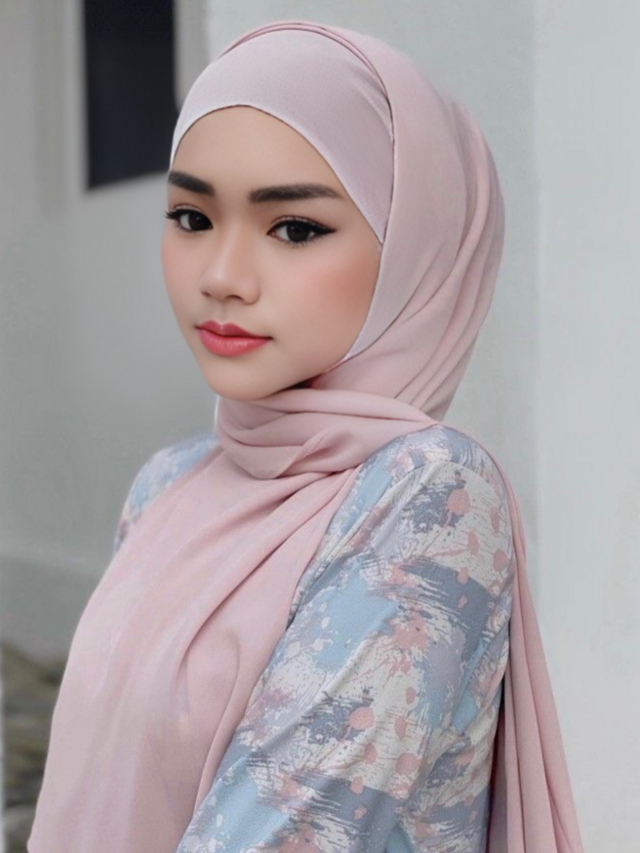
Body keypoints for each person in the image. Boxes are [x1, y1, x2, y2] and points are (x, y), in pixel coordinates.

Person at [28, 19, 584, 853]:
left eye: (294, 229)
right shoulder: (170, 484)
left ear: (415, 246)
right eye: (191, 217)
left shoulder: (430, 494)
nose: (222, 276)